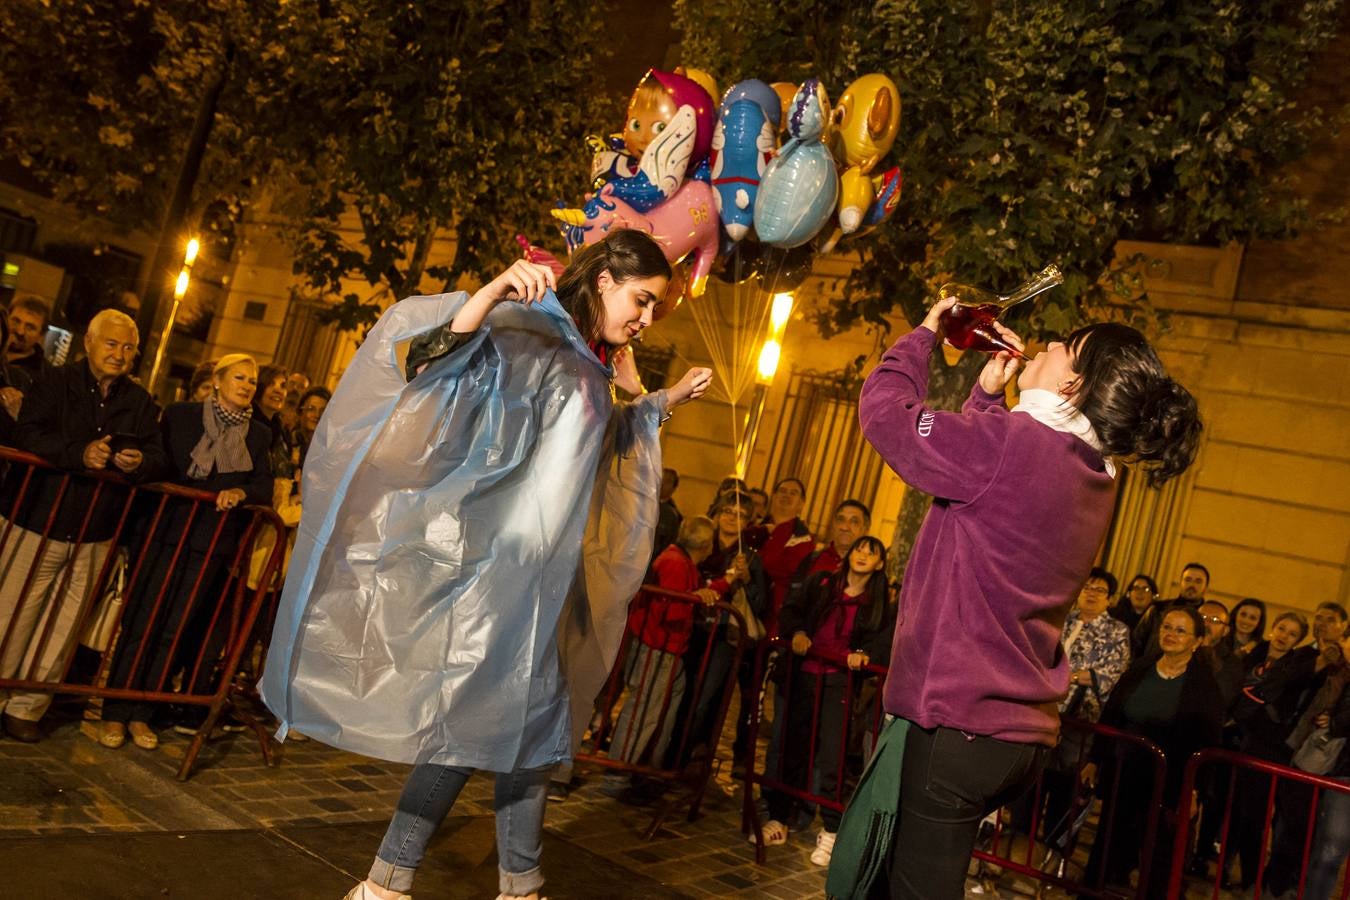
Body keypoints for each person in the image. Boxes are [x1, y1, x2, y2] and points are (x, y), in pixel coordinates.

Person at [258, 229, 711, 900]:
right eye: (642, 300)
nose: (646, 317)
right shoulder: (534, 329)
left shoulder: (590, 361)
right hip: (494, 581)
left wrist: (656, 405)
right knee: (480, 727)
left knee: (529, 731)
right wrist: (495, 290)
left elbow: (595, 446)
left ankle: (495, 884)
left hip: (540, 583)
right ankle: (396, 882)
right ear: (607, 280)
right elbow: (428, 363)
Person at [845, 299, 1202, 900]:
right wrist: (986, 400)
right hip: (1014, 732)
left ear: (1073, 381)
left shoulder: (1010, 445)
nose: (1046, 344)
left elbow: (885, 417)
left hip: (958, 725)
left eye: (1064, 343)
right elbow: (985, 501)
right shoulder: (1092, 472)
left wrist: (923, 339)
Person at [0, 309, 163, 743]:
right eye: (111, 344)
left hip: (96, 528)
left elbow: (158, 455)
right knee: (11, 612)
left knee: (65, 624)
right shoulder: (54, 383)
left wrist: (140, 462)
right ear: (88, 342)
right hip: (37, 517)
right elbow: (28, 434)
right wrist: (78, 453)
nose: (119, 354)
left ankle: (27, 707)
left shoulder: (140, 402)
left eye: (128, 347)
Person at [99, 354, 274, 748]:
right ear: (217, 380)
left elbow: (264, 486)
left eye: (252, 380)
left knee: (173, 630)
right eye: (239, 377)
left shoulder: (259, 435)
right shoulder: (181, 416)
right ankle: (115, 711)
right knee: (141, 621)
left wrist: (241, 491)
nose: (247, 385)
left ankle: (143, 713)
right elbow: (159, 463)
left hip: (210, 545)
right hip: (164, 532)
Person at [758, 535, 894, 867]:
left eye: (871, 553)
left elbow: (883, 641)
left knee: (831, 757)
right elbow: (792, 612)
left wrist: (862, 655)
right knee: (794, 747)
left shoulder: (878, 604)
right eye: (859, 548)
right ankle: (779, 817)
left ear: (879, 564)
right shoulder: (822, 583)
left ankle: (831, 830)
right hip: (805, 674)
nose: (862, 555)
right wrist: (800, 633)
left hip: (839, 683)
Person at [1079, 607, 1223, 897]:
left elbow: (1207, 742)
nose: (1170, 634)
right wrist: (1095, 759)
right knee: (1109, 839)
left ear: (1196, 642)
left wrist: (1194, 791)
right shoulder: (1140, 668)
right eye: (1167, 627)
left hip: (1169, 780)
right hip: (1125, 770)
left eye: (1180, 630)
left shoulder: (1204, 686)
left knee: (1159, 852)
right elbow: (1112, 714)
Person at [611, 516, 717, 767]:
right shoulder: (676, 564)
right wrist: (695, 600)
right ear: (706, 545)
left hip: (669, 649)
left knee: (660, 711)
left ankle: (645, 765)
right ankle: (620, 770)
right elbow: (674, 612)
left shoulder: (680, 560)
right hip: (657, 648)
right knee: (644, 711)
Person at [1229, 610, 1314, 890]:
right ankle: (1242, 873)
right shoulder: (1253, 658)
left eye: (1292, 635)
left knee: (1268, 819)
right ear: (1272, 629)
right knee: (1243, 814)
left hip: (1276, 749)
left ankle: (1263, 879)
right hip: (1245, 742)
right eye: (1281, 629)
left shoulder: (1297, 670)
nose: (1284, 637)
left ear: (1298, 641)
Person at [1132, 561, 1210, 658]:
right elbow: (1137, 641)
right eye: (1188, 580)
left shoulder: (1206, 619)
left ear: (1206, 587)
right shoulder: (1158, 609)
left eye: (1198, 581)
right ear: (1180, 583)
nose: (1192, 585)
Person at [4, 295, 50, 390]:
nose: (20, 331)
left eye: (30, 327)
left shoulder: (44, 376)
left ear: (41, 335)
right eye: (16, 321)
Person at [292, 386, 330, 468]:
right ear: (300, 412)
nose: (317, 415)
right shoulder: (288, 442)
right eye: (311, 409)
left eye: (322, 411)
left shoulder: (328, 451)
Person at [651, 467, 682, 557]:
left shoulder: (674, 516)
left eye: (667, 481)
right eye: (660, 479)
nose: (662, 484)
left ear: (674, 487)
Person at [1228, 597, 1269, 663]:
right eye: (1243, 615)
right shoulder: (1220, 639)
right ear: (1235, 614)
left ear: (1259, 622)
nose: (1246, 621)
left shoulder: (1263, 649)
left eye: (1253, 618)